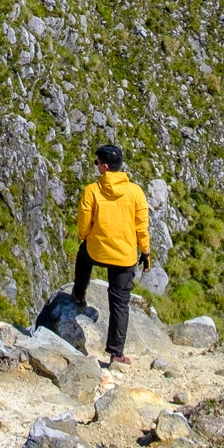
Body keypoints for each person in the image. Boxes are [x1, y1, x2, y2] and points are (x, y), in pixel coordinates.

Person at [73, 143, 150, 365]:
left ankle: (79, 293)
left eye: (97, 162)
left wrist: (85, 236)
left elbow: (84, 224)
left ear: (105, 167)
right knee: (119, 303)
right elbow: (141, 226)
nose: (96, 165)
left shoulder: (92, 190)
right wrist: (145, 252)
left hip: (97, 250)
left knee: (83, 256)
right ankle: (116, 354)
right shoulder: (135, 192)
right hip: (125, 257)